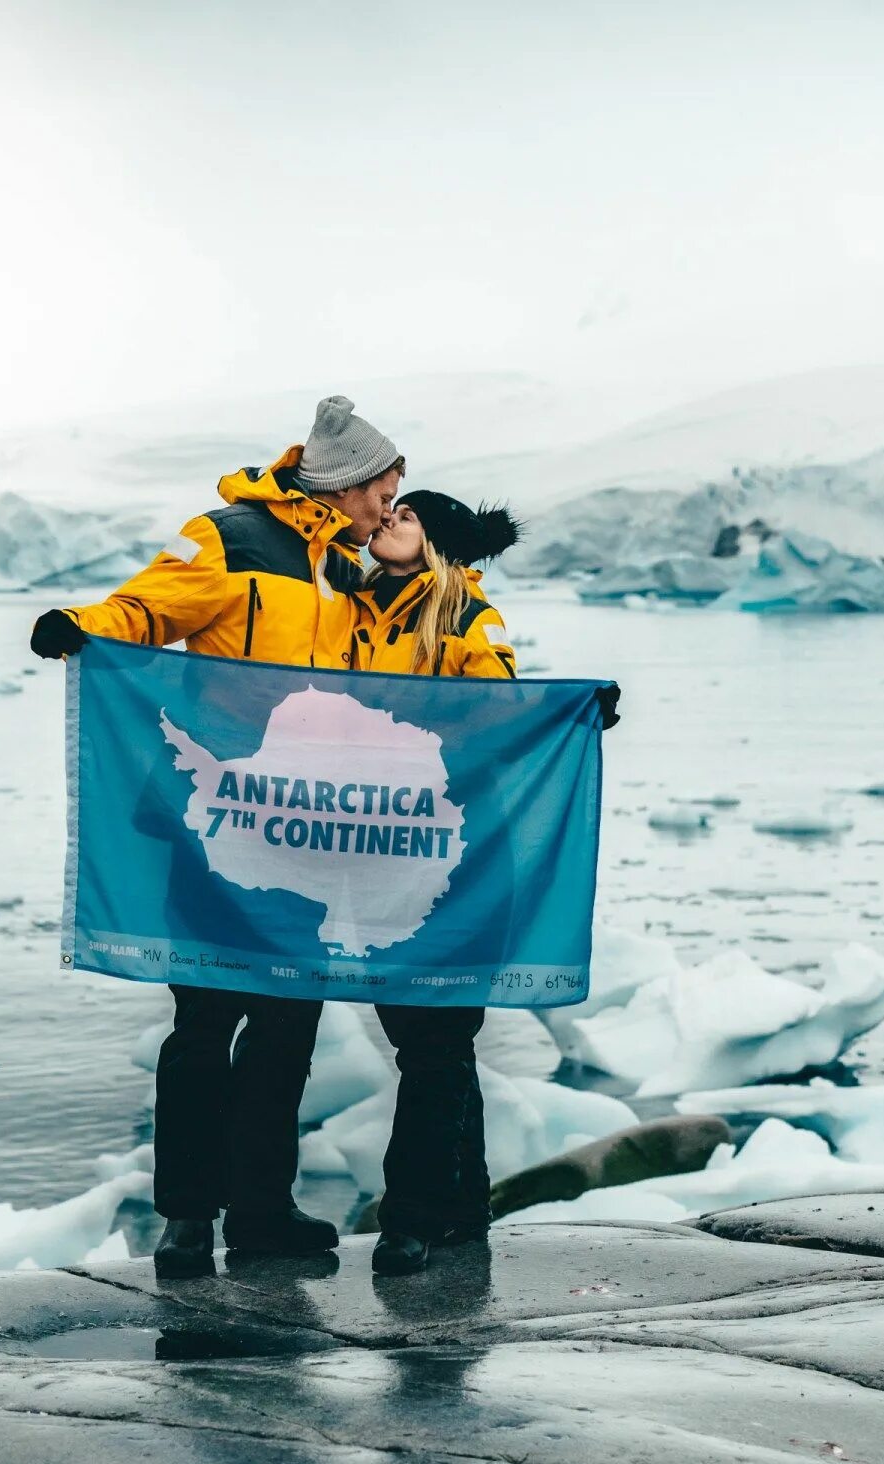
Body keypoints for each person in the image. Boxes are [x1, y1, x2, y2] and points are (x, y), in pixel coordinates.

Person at [30, 396, 404, 1277]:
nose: (397, 495)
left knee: (287, 1027)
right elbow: (148, 607)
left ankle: (262, 1214)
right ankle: (188, 1219)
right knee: (204, 1022)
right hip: (212, 817)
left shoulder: (351, 570)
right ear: (354, 481)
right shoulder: (232, 538)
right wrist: (82, 626)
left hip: (307, 826)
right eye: (391, 479)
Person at [351, 490, 520, 1276]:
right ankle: (464, 1206)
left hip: (459, 856)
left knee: (437, 1040)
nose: (387, 521)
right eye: (389, 513)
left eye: (406, 517)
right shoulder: (359, 615)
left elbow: (501, 707)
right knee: (427, 1041)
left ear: (441, 546)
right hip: (383, 849)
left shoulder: (467, 620)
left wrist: (573, 717)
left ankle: (409, 1220)